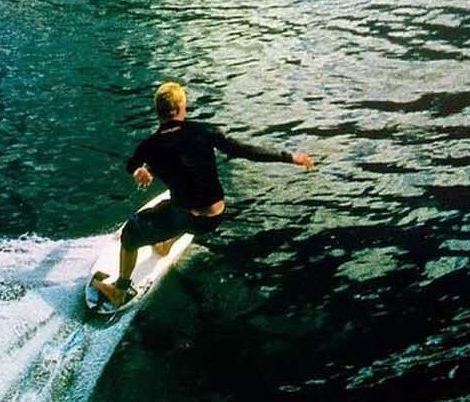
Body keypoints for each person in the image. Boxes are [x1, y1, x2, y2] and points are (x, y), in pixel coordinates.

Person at [91, 81, 315, 308]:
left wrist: (141, 171)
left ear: (158, 111)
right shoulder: (204, 131)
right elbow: (246, 151)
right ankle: (165, 244)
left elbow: (131, 165)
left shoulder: (149, 146)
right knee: (175, 202)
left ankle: (119, 291)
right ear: (181, 107)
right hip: (214, 216)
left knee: (131, 232)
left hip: (183, 216)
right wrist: (290, 157)